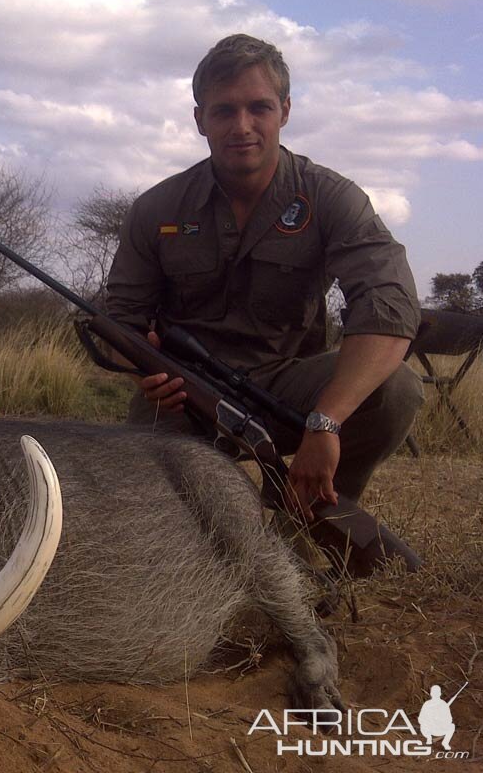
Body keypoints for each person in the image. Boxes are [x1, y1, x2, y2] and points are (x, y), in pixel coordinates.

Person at [104, 33, 424, 517]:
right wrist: (141, 367)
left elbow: (390, 306)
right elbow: (117, 323)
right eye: (224, 111)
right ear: (199, 120)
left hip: (287, 392)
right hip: (182, 397)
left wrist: (327, 421)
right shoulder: (155, 209)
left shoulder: (333, 198)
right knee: (156, 530)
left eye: (260, 108)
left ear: (286, 110)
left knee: (397, 388)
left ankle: (314, 515)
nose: (243, 126)